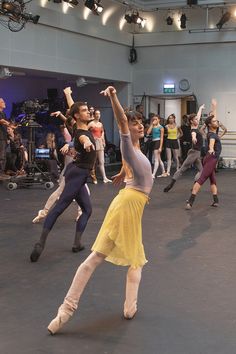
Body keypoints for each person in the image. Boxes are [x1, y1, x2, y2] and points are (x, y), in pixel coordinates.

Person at [47, 86, 153, 335]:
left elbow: (133, 165)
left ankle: (71, 311)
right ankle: (68, 309)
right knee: (125, 258)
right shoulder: (128, 145)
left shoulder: (135, 152)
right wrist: (115, 97)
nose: (138, 126)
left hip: (129, 204)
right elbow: (121, 120)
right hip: (128, 205)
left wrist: (122, 172)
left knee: (127, 257)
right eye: (134, 123)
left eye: (141, 123)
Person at [30, 101, 96, 262]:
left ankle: (77, 244)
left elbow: (69, 121)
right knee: (59, 207)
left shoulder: (76, 127)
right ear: (77, 115)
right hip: (78, 174)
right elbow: (82, 138)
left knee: (87, 209)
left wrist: (61, 112)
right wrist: (87, 143)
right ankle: (40, 243)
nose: (88, 112)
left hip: (77, 173)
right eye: (85, 111)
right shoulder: (82, 134)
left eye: (88, 110)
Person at [185, 99, 221, 209]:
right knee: (201, 180)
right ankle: (190, 202)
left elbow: (212, 119)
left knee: (213, 180)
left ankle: (216, 201)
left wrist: (214, 107)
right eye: (215, 122)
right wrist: (210, 149)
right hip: (211, 158)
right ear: (210, 125)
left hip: (209, 159)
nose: (217, 122)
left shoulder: (212, 132)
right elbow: (211, 144)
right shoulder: (213, 136)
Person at [163, 104, 205, 192]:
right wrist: (193, 138)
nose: (197, 120)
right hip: (194, 153)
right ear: (191, 122)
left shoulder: (195, 126)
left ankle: (194, 186)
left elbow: (198, 115)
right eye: (195, 120)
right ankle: (170, 185)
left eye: (197, 119)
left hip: (197, 153)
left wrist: (200, 108)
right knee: (182, 169)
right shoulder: (193, 129)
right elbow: (193, 134)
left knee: (201, 171)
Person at [88, 109, 112, 184]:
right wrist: (91, 138)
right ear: (94, 115)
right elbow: (85, 131)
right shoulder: (91, 124)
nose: (98, 115)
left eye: (99, 114)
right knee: (93, 161)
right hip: (94, 143)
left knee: (102, 161)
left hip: (100, 143)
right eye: (97, 114)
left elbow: (102, 132)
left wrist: (103, 141)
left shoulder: (100, 124)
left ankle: (104, 177)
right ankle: (93, 177)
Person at [0, 98, 10, 179]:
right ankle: (0, 174)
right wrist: (8, 123)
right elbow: (2, 121)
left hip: (3, 137)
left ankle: (2, 172)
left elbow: (6, 124)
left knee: (4, 156)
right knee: (2, 156)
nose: (4, 103)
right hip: (0, 137)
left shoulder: (3, 113)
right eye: (2, 102)